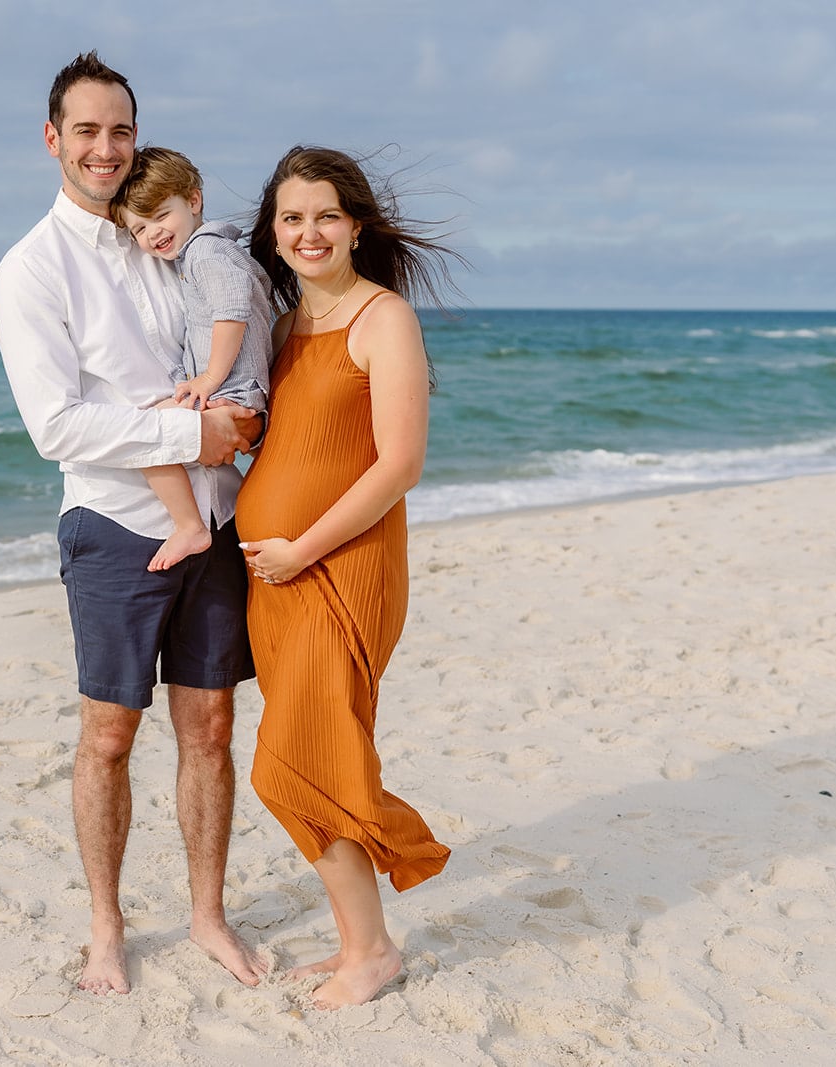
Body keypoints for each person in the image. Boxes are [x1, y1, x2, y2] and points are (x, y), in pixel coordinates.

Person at [0, 51, 268, 997]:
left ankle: (207, 915)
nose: (104, 148)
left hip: (218, 518)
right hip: (113, 524)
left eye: (120, 130)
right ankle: (106, 928)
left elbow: (236, 336)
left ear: (136, 138)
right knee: (109, 737)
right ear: (53, 139)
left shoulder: (175, 237)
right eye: (86, 131)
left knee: (213, 727)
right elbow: (55, 424)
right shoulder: (32, 268)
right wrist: (198, 428)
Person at [236, 145, 458, 1009]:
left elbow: (398, 465)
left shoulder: (383, 319)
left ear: (356, 224)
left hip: (340, 571)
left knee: (290, 763)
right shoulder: (287, 326)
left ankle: (373, 946)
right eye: (292, 218)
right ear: (276, 233)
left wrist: (301, 549)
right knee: (319, 755)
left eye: (325, 214)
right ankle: (359, 943)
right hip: (275, 583)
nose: (308, 231)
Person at [110, 146, 275, 571]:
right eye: (139, 229)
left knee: (146, 432)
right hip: (240, 388)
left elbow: (232, 311)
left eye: (161, 216)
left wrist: (208, 378)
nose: (153, 233)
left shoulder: (205, 253)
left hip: (231, 387)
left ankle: (189, 527)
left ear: (194, 200)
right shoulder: (206, 253)